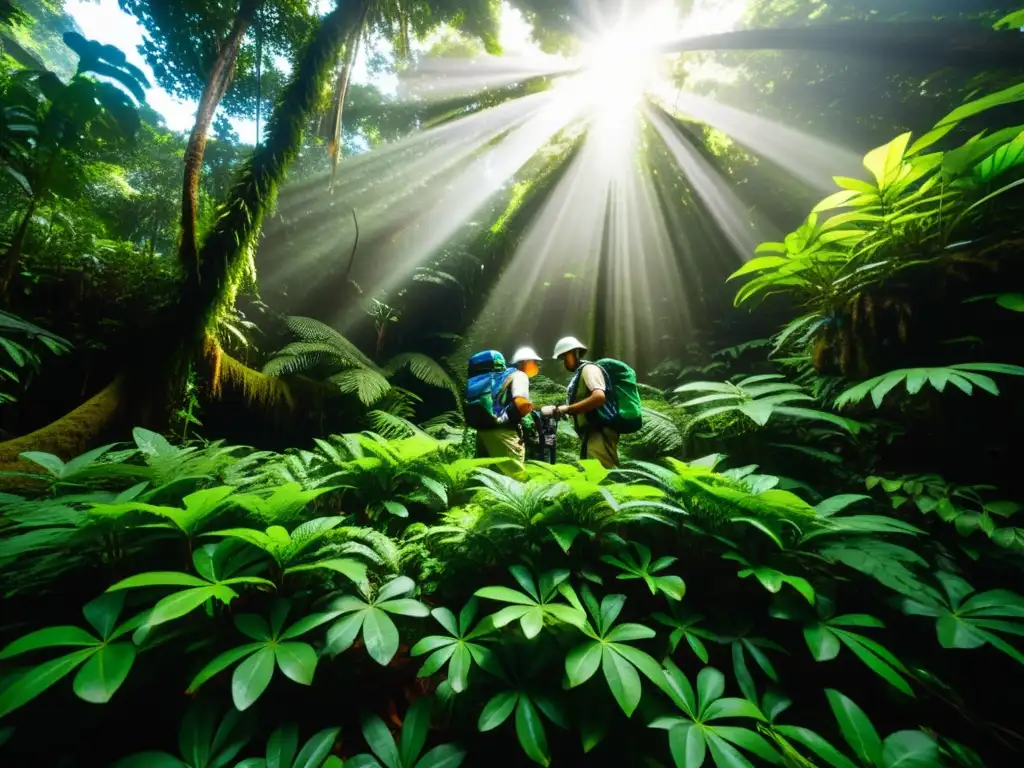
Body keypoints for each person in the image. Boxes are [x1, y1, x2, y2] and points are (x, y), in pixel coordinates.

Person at [541, 336, 620, 469]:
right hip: (590, 433)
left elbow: (599, 397)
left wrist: (567, 409)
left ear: (574, 353)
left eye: (565, 357)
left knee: (604, 476)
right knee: (592, 474)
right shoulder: (580, 374)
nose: (564, 362)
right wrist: (561, 410)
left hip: (600, 431)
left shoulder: (589, 369)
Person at [475, 346, 542, 474]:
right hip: (503, 433)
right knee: (514, 480)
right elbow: (521, 404)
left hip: (483, 432)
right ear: (525, 362)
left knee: (486, 476)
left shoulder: (501, 376)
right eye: (534, 362)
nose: (536, 365)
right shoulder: (520, 375)